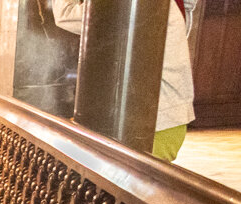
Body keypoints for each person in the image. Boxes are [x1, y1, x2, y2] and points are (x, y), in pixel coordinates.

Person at [52, 0, 196, 161]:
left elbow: (66, 14)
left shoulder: (133, 4)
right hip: (162, 119)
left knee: (130, 181)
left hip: (155, 124)